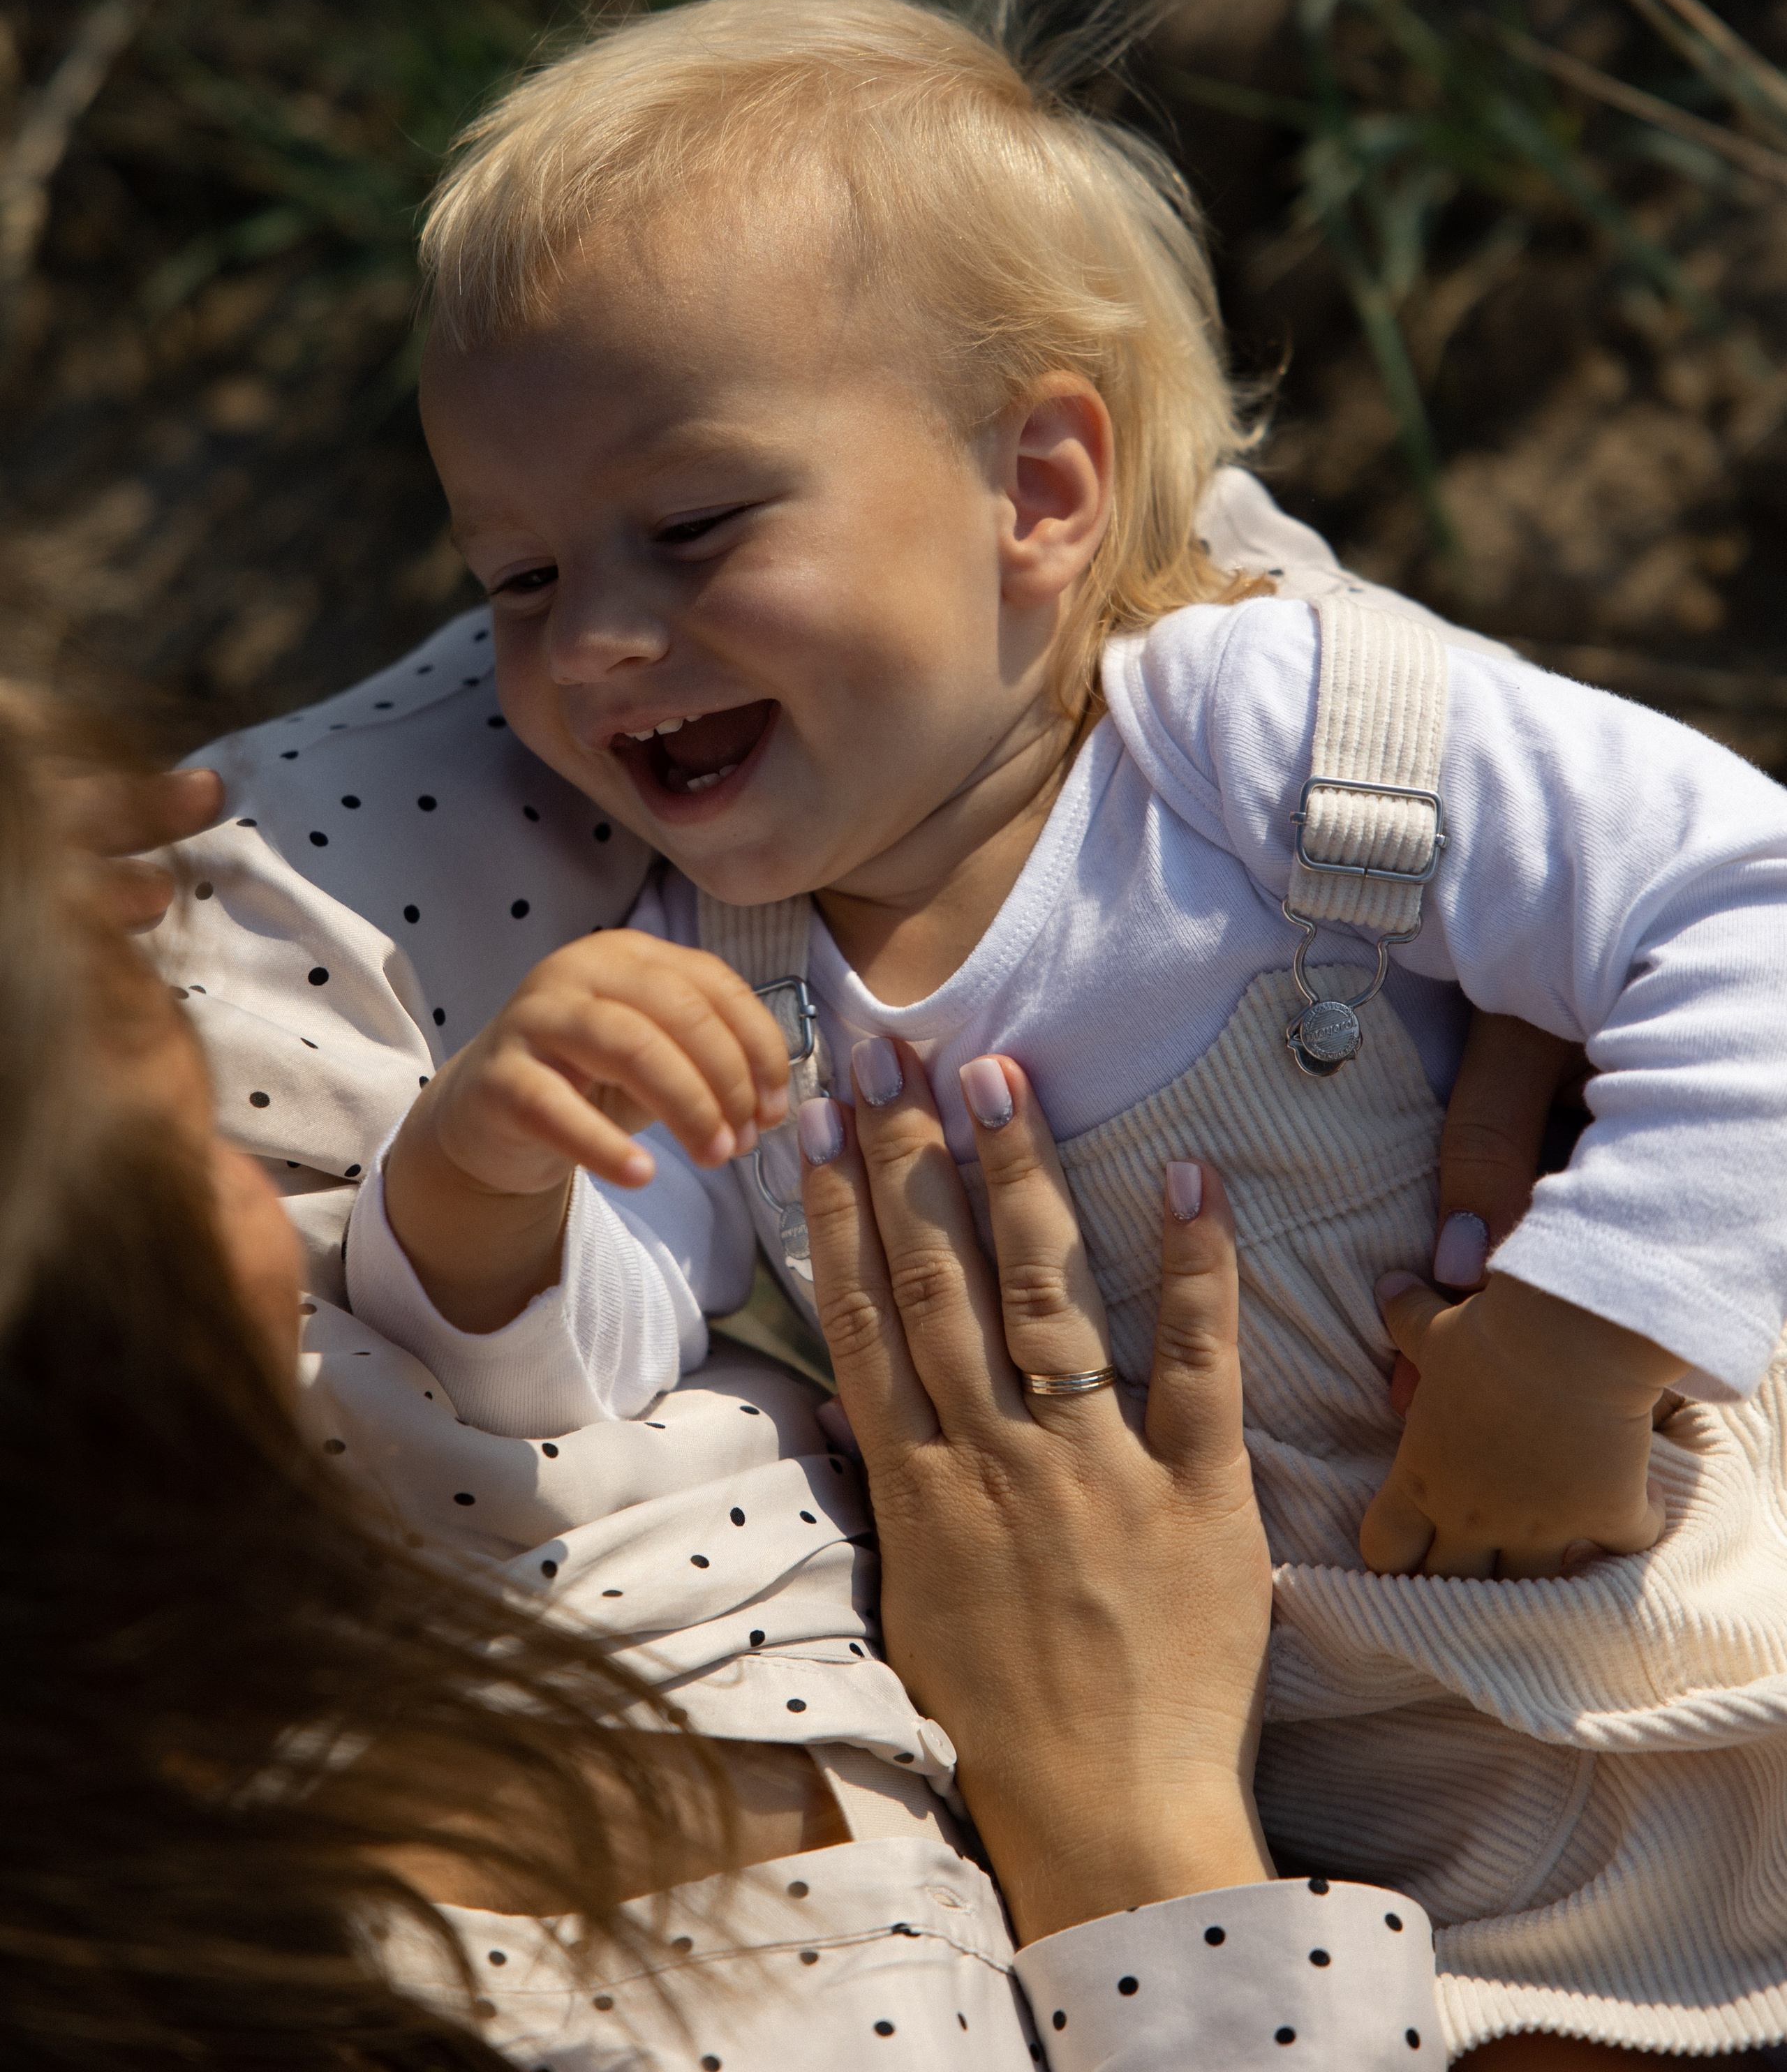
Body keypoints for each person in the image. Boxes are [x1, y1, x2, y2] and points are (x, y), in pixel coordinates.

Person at [155, 0, 1787, 2058]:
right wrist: (480, 1173)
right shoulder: (713, 972)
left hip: (1687, 1660)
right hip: (1399, 1883)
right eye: (520, 581)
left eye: (691, 528)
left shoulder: (1258, 737)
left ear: (1041, 487)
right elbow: (585, 1355)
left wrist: (1581, 1335)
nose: (597, 644)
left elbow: (1741, 911)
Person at [0, 678, 1446, 2070]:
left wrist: (1509, 976)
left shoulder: (200, 916)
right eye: (161, 1145)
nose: (234, 1169)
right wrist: (1129, 1830)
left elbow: (1054, 609)